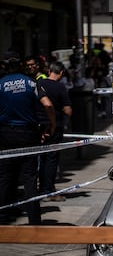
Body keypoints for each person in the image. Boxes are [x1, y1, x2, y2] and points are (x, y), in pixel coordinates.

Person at [0, 53, 56, 225]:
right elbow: (47, 104)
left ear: (5, 67)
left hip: (4, 134)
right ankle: (34, 218)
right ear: (21, 65)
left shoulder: (0, 84)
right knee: (30, 177)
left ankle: (3, 216)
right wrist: (52, 124)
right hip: (27, 134)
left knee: (4, 177)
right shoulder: (31, 83)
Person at [37, 61, 72, 202]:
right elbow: (67, 110)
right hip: (54, 127)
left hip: (38, 126)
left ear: (49, 70)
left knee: (41, 158)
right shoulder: (60, 87)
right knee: (51, 159)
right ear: (61, 72)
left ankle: (41, 190)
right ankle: (48, 191)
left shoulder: (39, 84)